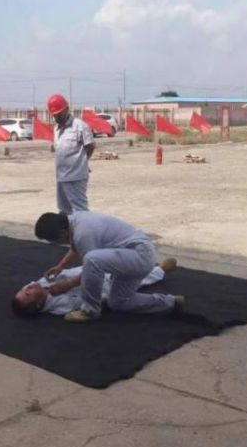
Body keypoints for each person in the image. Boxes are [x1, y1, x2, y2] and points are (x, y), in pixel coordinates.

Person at [33, 211, 184, 322]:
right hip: (131, 257)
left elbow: (90, 268)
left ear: (62, 233)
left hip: (139, 255)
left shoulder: (83, 232)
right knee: (118, 302)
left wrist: (66, 285)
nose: (57, 244)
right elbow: (76, 247)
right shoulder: (75, 222)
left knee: (92, 260)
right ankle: (170, 302)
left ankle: (90, 310)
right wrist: (60, 266)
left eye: (55, 241)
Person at [11, 262, 175, 319]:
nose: (28, 288)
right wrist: (69, 284)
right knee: (138, 280)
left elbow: (33, 284)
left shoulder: (41, 286)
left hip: (88, 270)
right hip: (104, 286)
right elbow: (86, 299)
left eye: (23, 289)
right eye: (28, 293)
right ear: (39, 304)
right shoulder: (60, 304)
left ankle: (155, 268)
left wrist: (60, 269)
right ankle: (159, 271)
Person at [47, 94, 95, 213]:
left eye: (59, 113)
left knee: (80, 210)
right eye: (54, 115)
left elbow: (90, 146)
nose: (57, 117)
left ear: (67, 109)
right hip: (61, 176)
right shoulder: (56, 129)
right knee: (63, 210)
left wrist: (81, 163)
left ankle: (84, 226)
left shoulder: (80, 126)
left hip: (76, 177)